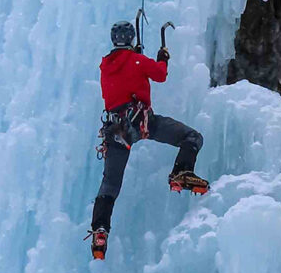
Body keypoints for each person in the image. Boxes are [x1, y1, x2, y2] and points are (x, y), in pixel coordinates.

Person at [89, 20, 209, 259]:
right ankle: (181, 173)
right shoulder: (137, 61)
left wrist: (136, 58)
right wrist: (162, 56)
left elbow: (121, 79)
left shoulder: (105, 66)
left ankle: (100, 229)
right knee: (192, 137)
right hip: (141, 121)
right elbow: (160, 75)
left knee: (110, 184)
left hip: (116, 130)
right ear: (131, 39)